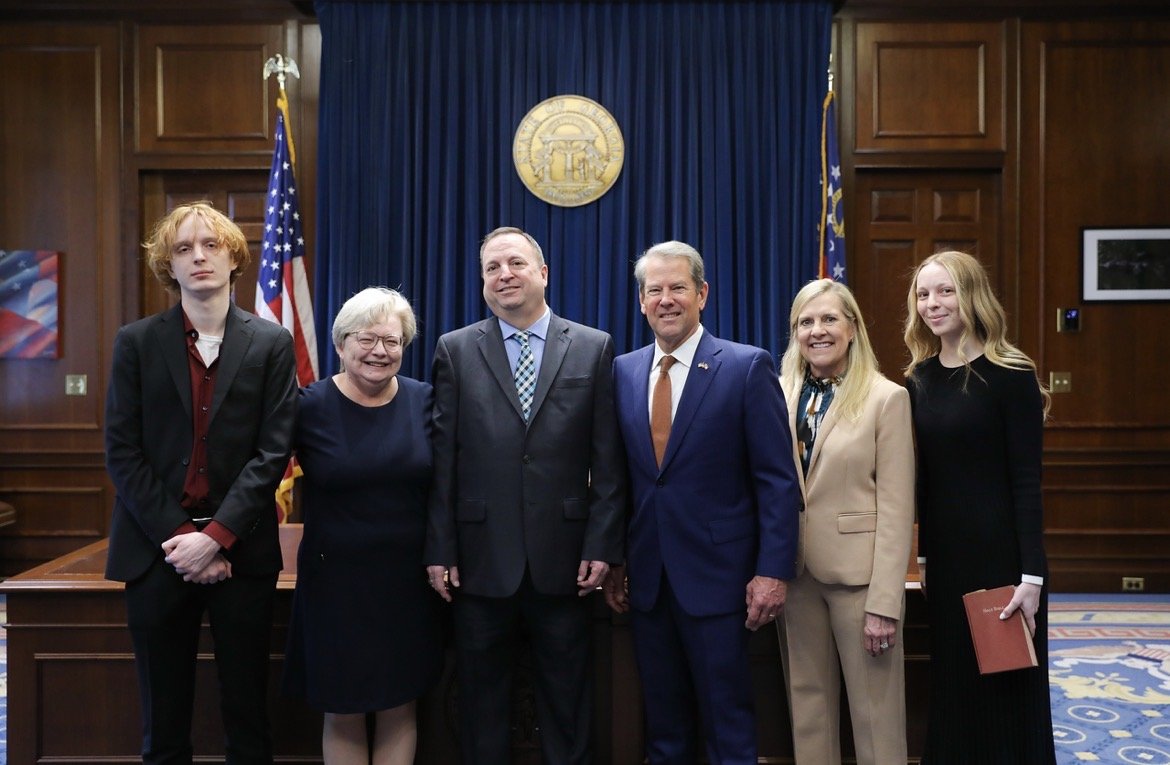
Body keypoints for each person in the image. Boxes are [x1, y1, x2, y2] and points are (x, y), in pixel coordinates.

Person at [104, 201, 298, 764]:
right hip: (155, 551)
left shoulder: (271, 342)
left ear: (234, 256)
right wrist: (182, 539)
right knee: (162, 723)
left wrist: (215, 537)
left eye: (210, 245)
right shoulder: (136, 342)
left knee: (247, 717)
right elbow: (122, 451)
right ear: (170, 264)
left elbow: (273, 452)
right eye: (184, 248)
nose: (199, 257)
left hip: (242, 552)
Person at [424, 226, 626, 765]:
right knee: (480, 705)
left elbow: (608, 463)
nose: (504, 275)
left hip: (565, 561)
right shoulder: (455, 349)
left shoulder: (593, 346)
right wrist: (439, 549)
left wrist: (603, 545)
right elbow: (444, 460)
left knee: (567, 702)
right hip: (479, 560)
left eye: (514, 263)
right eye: (492, 267)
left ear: (543, 273)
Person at [603, 240, 801, 765]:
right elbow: (620, 477)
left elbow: (777, 482)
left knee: (726, 722)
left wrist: (772, 571)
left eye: (678, 288)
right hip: (648, 580)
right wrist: (617, 559)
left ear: (702, 294)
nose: (666, 299)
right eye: (654, 290)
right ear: (641, 301)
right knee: (663, 725)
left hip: (721, 580)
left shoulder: (745, 366)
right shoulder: (623, 371)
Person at [904, 250, 1056, 764]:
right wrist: (921, 558)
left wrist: (1031, 576)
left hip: (1002, 561)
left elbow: (1026, 482)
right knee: (955, 687)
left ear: (971, 295)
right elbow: (922, 481)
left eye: (945, 290)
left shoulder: (1011, 374)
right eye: (923, 294)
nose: (932, 303)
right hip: (946, 561)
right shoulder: (918, 379)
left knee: (1007, 686)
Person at [283, 287, 443, 764]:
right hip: (335, 581)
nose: (379, 351)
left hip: (406, 579)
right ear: (341, 343)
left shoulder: (424, 401)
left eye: (392, 342)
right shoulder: (307, 406)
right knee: (343, 708)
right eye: (366, 339)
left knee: (400, 702)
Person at [775, 278, 915, 765]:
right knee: (808, 708)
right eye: (805, 322)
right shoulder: (779, 393)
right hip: (795, 574)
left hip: (860, 582)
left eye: (829, 319)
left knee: (876, 717)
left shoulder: (886, 398)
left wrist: (885, 601)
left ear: (852, 327)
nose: (818, 331)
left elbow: (898, 509)